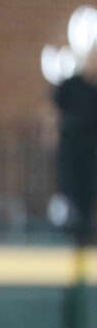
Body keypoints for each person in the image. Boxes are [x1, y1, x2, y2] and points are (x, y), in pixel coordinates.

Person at [53, 46, 97, 242]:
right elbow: (53, 110)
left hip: (91, 153)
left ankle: (85, 235)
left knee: (87, 200)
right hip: (71, 151)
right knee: (71, 196)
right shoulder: (70, 85)